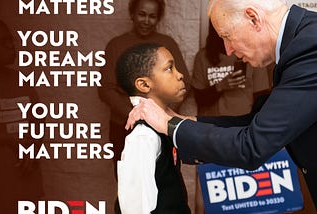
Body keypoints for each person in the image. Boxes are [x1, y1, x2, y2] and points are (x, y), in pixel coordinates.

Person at [125, 0, 317, 208]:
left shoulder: (309, 48)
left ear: (253, 18)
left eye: (227, 36)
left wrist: (170, 125)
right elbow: (258, 121)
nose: (228, 49)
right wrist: (184, 121)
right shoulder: (299, 42)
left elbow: (251, 145)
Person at [98, 0, 190, 173]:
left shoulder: (167, 44)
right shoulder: (116, 45)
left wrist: (163, 115)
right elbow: (105, 89)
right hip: (124, 126)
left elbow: (184, 84)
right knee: (128, 183)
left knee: (164, 179)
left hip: (162, 125)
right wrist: (137, 116)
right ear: (132, 14)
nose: (146, 20)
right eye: (142, 14)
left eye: (152, 16)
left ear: (158, 19)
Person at [192, 21, 271, 213]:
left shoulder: (250, 55)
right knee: (208, 194)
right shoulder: (203, 57)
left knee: (243, 197)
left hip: (242, 137)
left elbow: (262, 99)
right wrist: (221, 86)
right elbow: (199, 98)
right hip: (210, 135)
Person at [116, 43, 190, 213]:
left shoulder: (161, 125)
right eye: (169, 68)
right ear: (144, 85)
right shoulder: (143, 135)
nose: (180, 75)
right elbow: (136, 207)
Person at [0, 19, 44, 214]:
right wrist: (8, 140)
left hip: (26, 176)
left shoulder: (22, 80)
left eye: (11, 40)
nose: (11, 45)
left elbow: (39, 120)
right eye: (3, 41)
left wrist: (33, 148)